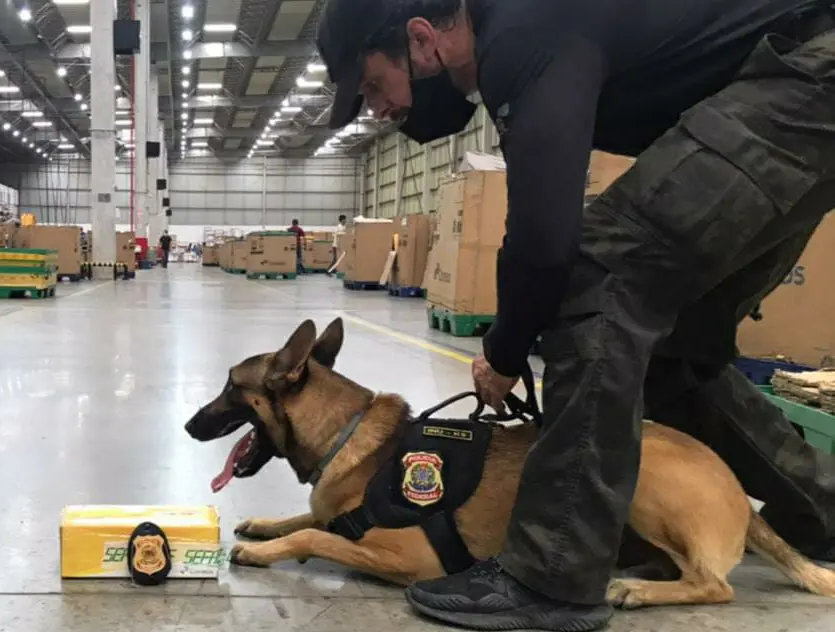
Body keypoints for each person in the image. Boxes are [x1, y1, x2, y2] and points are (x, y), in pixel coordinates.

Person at [317, 0, 835, 630]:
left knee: (597, 281)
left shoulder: (519, 37)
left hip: (804, 80)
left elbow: (545, 240)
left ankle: (553, 574)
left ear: (422, 40)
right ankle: (823, 516)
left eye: (374, 85)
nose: (379, 110)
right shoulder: (522, 34)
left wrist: (504, 352)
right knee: (675, 345)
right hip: (807, 89)